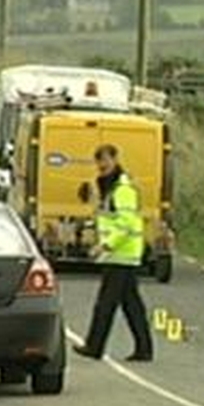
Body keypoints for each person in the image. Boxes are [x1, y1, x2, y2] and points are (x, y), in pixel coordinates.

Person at [73, 144, 154, 362]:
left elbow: (126, 223)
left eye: (106, 160)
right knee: (131, 304)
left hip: (121, 253)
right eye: (99, 161)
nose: (101, 165)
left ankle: (94, 346)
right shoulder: (109, 187)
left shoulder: (123, 189)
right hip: (120, 253)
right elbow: (105, 217)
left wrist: (106, 245)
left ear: (116, 160)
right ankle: (144, 349)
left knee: (106, 303)